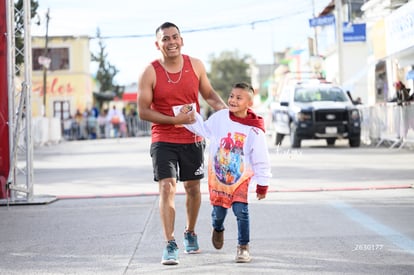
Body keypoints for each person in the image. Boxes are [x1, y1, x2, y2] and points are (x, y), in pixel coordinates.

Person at [137, 22, 227, 265]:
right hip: (163, 138)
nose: (171, 41)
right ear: (158, 44)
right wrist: (173, 120)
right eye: (165, 39)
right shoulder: (150, 72)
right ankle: (170, 243)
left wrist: (225, 111)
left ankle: (190, 232)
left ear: (182, 40)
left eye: (175, 37)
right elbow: (143, 111)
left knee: (193, 188)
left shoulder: (195, 65)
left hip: (193, 137)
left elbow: (208, 95)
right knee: (167, 187)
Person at [181, 82, 272, 263]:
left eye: (239, 98)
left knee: (241, 212)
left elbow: (261, 157)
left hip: (240, 178)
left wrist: (262, 184)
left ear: (249, 103)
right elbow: (204, 129)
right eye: (231, 96)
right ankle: (218, 228)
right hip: (219, 178)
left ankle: (243, 247)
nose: (232, 100)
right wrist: (189, 115)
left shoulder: (254, 129)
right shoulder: (220, 117)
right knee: (218, 213)